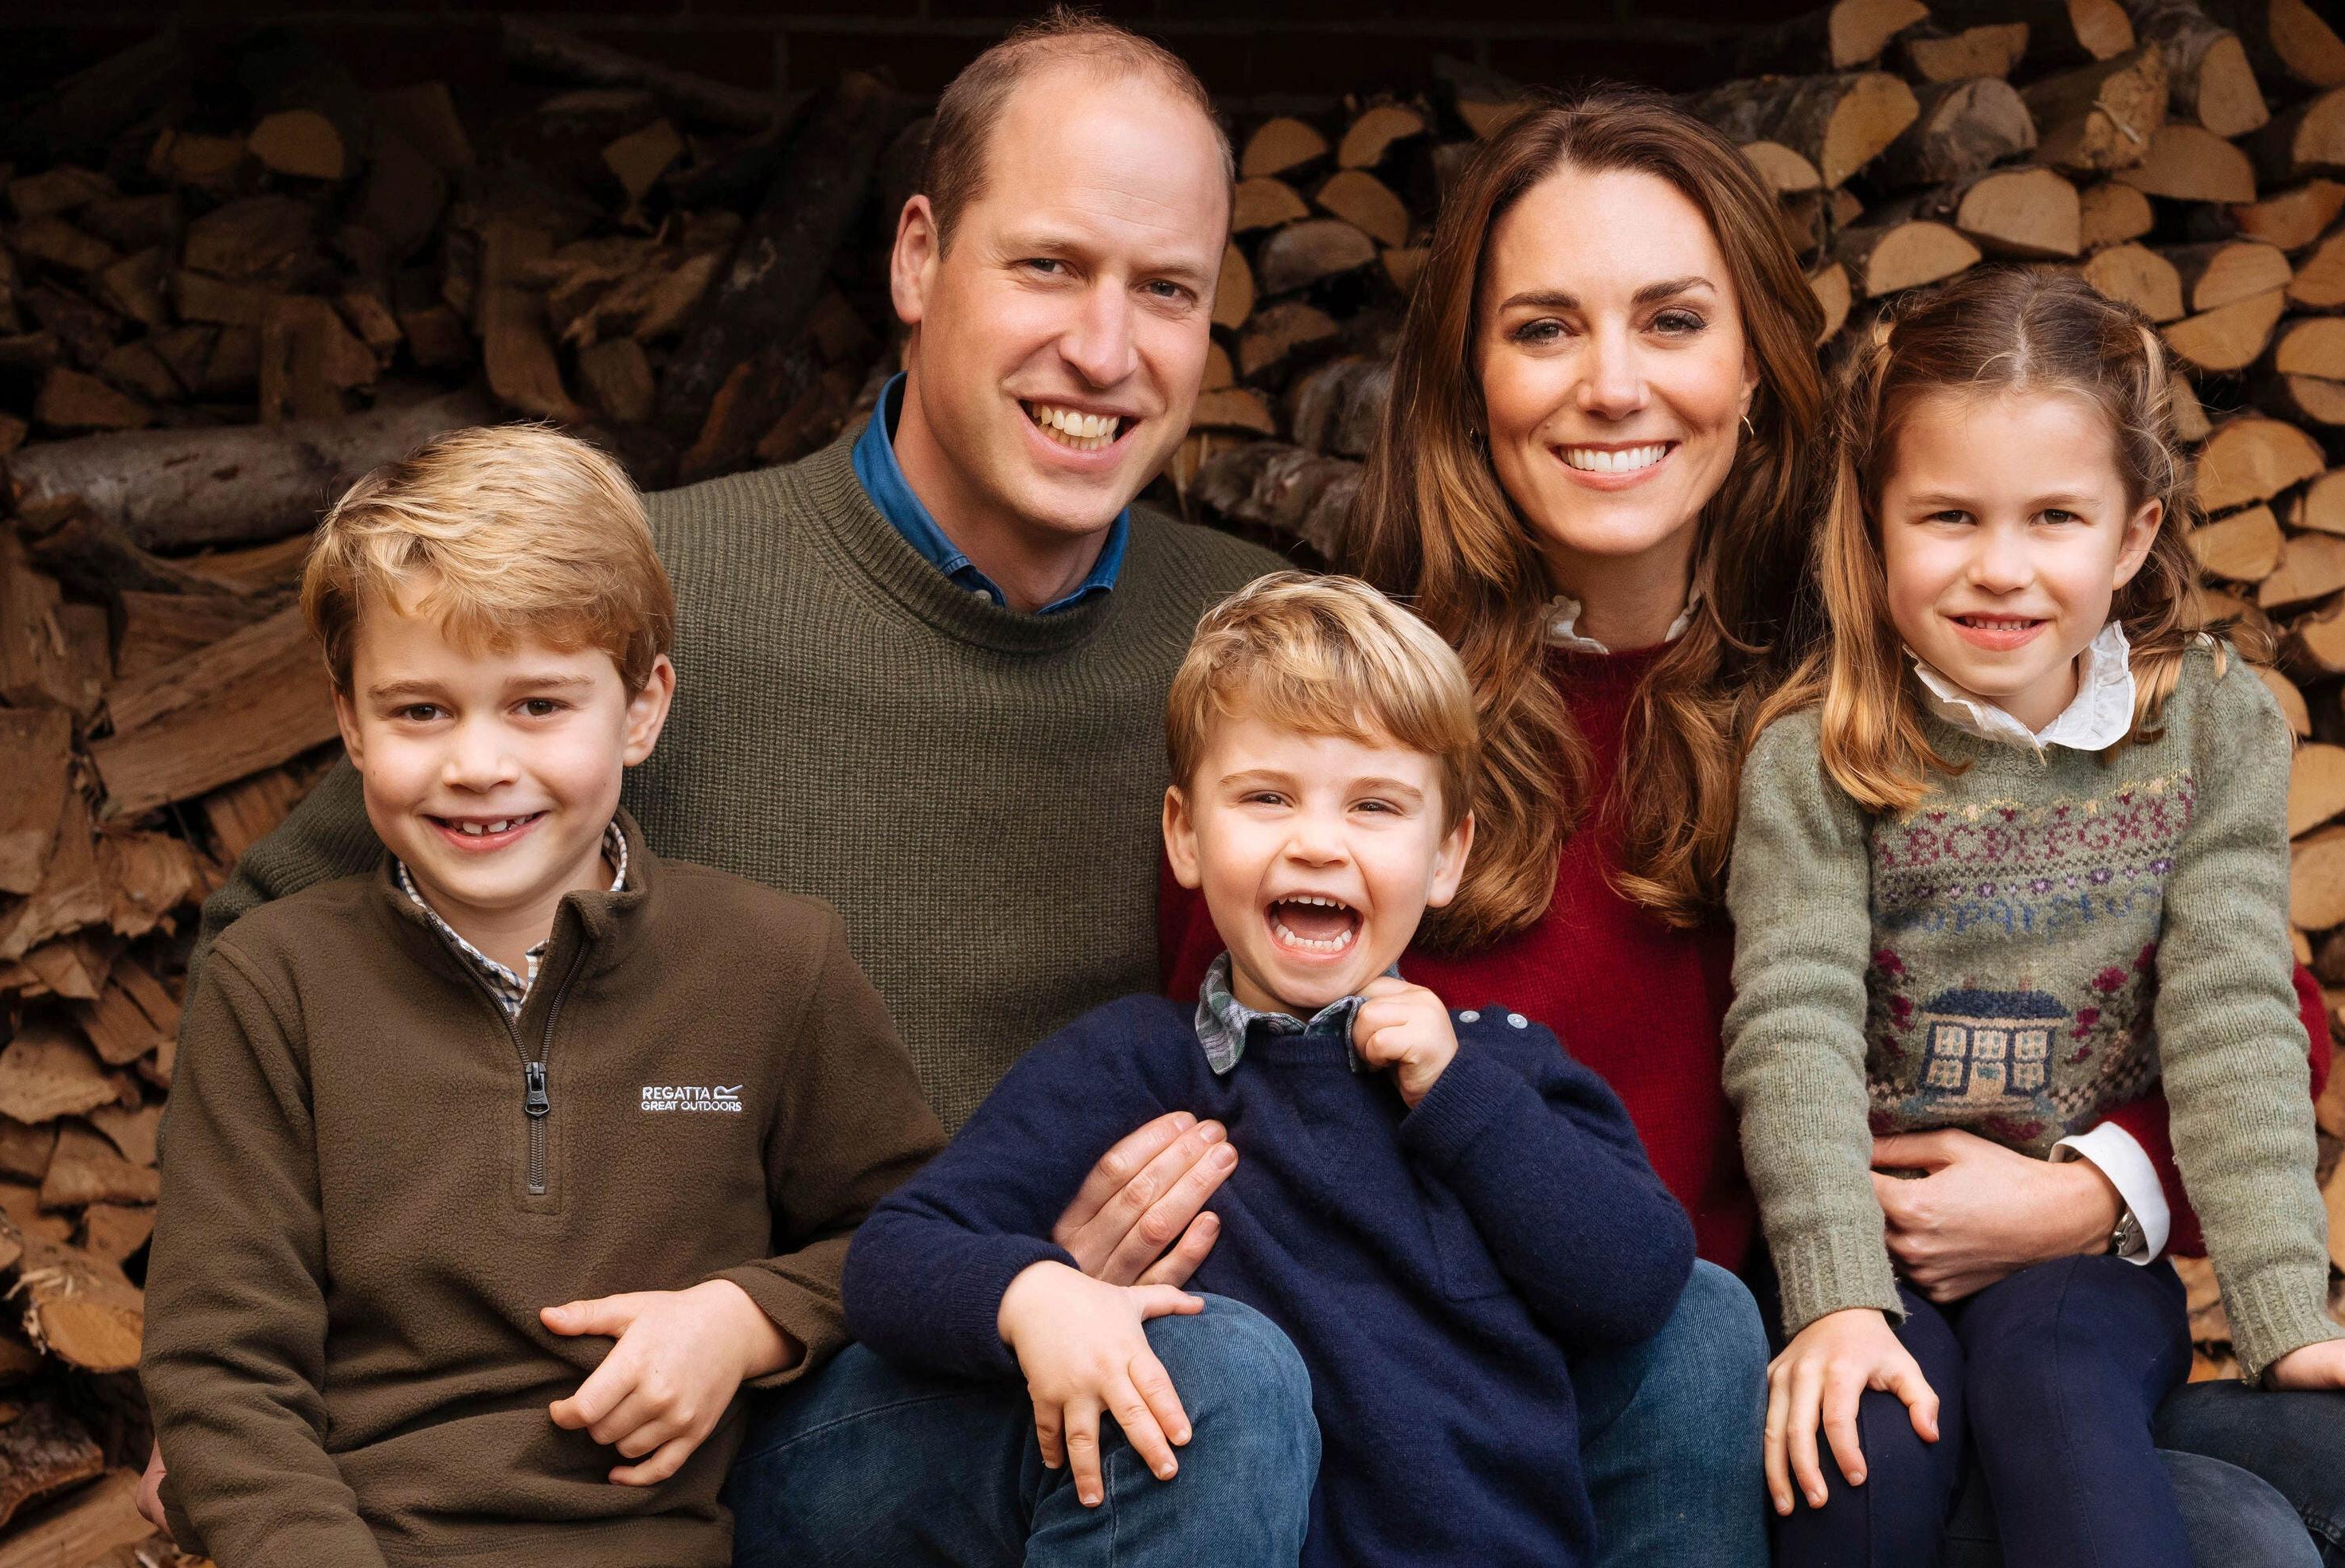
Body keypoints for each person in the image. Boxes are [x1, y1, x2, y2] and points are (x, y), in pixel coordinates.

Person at [149, 19, 1764, 1564]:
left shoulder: (1242, 638)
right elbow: (295, 939)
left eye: (1166, 291)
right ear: (919, 259)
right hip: (796, 1394)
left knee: (1678, 1320)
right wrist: (264, 1387)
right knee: (1205, 1386)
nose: (1102, 349)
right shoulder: (664, 607)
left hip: (1189, 1318)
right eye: (1049, 265)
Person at [1167, 88, 2345, 1566]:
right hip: (1586, 1412)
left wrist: (2071, 1194)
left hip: (1906, 1345)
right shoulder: (1361, 720)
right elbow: (1218, 1047)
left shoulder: (1902, 658)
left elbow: (2265, 1018)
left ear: (1755, 368)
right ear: (1468, 377)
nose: (1612, 385)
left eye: (1671, 321)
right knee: (2234, 1538)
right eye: (1543, 328)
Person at [1724, 267, 2345, 1568]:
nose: (2001, 568)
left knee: (2058, 1386)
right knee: (1867, 1448)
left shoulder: (2207, 726)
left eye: (2055, 517)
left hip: (2078, 1263)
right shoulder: (1821, 753)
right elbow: (1788, 1023)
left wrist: (2286, 1317)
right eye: (1951, 515)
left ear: (2132, 535)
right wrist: (1839, 1293)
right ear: (1875, 518)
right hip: (1873, 1237)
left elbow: (2236, 1015)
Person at [140, 427, 950, 1567]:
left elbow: (911, 1229)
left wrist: (746, 1317)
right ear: (349, 721)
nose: (477, 763)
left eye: (537, 706)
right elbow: (224, 1369)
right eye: (422, 710)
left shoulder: (777, 965)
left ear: (641, 708)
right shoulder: (273, 985)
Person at [845, 573, 1698, 1566]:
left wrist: (1459, 1098)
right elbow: (893, 1256)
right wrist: (1034, 1293)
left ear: (1446, 856)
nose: (1316, 843)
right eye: (1265, 797)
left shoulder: (1499, 1065)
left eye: (1375, 806)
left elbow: (1642, 1285)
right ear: (1185, 834)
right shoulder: (1131, 1063)